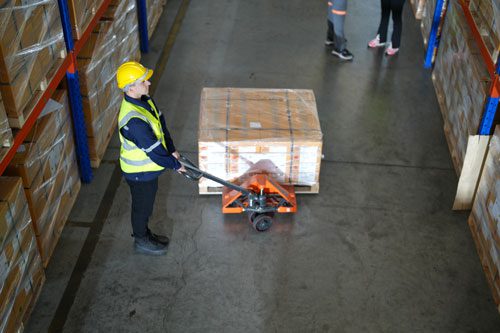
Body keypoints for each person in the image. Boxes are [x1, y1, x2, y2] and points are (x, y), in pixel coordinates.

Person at [116, 61, 186, 256]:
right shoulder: (133, 121)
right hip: (139, 173)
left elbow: (161, 124)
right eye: (143, 81)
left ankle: (145, 234)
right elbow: (154, 150)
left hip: (149, 169)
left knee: (147, 203)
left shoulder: (145, 100)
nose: (148, 83)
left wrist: (172, 149)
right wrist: (175, 165)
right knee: (142, 207)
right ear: (131, 88)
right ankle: (141, 239)